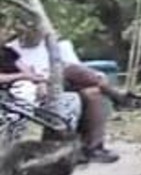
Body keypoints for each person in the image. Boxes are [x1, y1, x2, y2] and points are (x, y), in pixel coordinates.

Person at [4, 21, 119, 163]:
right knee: (71, 74)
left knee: (91, 90)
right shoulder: (10, 49)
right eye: (26, 25)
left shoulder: (57, 44)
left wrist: (42, 78)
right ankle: (118, 95)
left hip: (67, 84)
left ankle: (93, 148)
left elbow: (77, 70)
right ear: (18, 27)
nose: (31, 29)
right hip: (37, 92)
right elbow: (26, 76)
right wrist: (41, 80)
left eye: (35, 25)